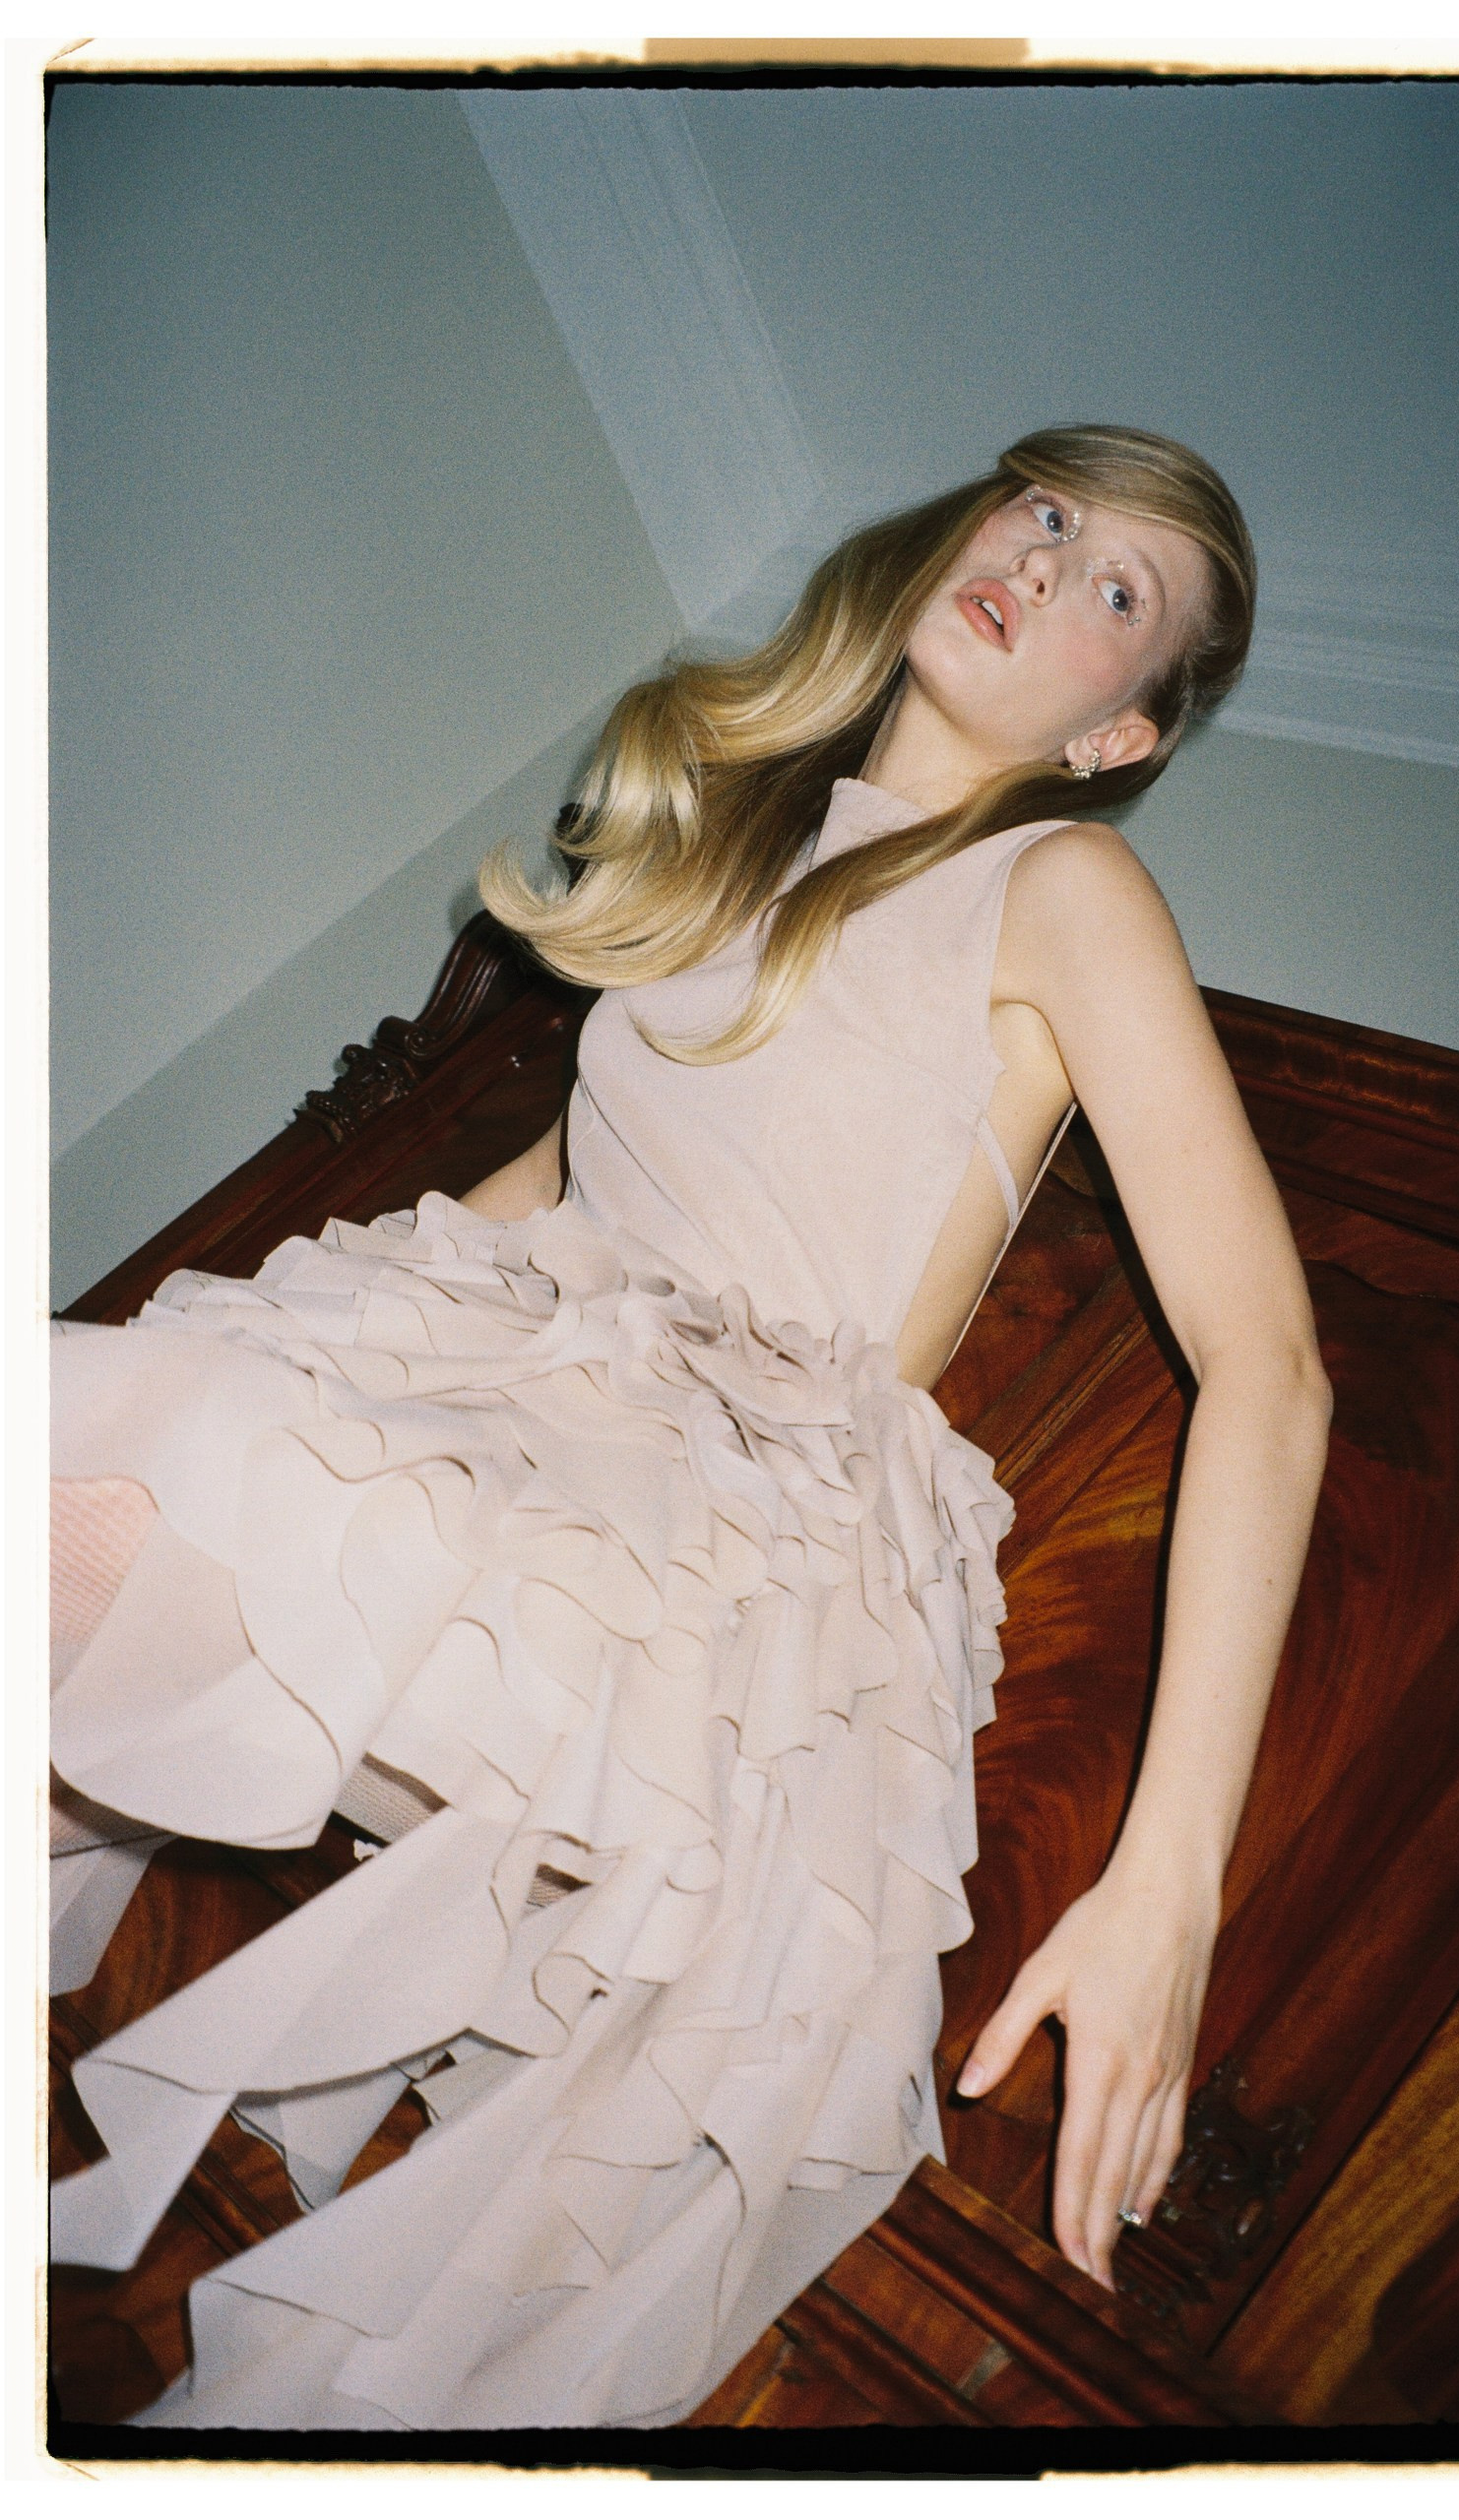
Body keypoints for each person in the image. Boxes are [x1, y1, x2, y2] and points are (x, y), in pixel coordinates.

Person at [48, 424, 1332, 2429]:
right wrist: (244, 1352)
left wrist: (1171, 1885)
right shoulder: (746, 832)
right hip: (538, 1412)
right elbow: (556, 1189)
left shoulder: (1062, 884)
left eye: (1117, 590)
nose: (1047, 560)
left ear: (1118, 733)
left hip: (721, 1547)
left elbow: (1274, 1365)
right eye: (1049, 511)